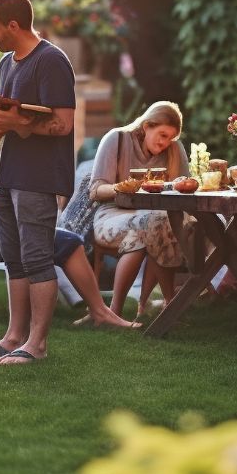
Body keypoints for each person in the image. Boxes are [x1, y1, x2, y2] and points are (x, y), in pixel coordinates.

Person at [0, 89, 139, 360]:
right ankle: (99, 312)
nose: (3, 119)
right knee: (66, 242)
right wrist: (4, 210)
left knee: (66, 241)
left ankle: (97, 311)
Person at [0, 0, 77, 365]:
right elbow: (4, 122)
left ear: (13, 24)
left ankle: (37, 345)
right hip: (9, 176)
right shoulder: (6, 63)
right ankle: (13, 337)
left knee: (38, 259)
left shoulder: (52, 61)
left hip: (40, 177)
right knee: (14, 259)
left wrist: (19, 123)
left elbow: (63, 125)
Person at [88, 101, 190, 319]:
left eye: (170, 138)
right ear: (146, 126)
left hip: (154, 217)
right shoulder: (115, 139)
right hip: (112, 212)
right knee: (152, 225)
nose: (165, 142)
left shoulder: (174, 149)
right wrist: (120, 187)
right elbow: (95, 190)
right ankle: (169, 304)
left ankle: (126, 310)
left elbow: (182, 185)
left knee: (155, 224)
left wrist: (181, 184)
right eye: (162, 135)